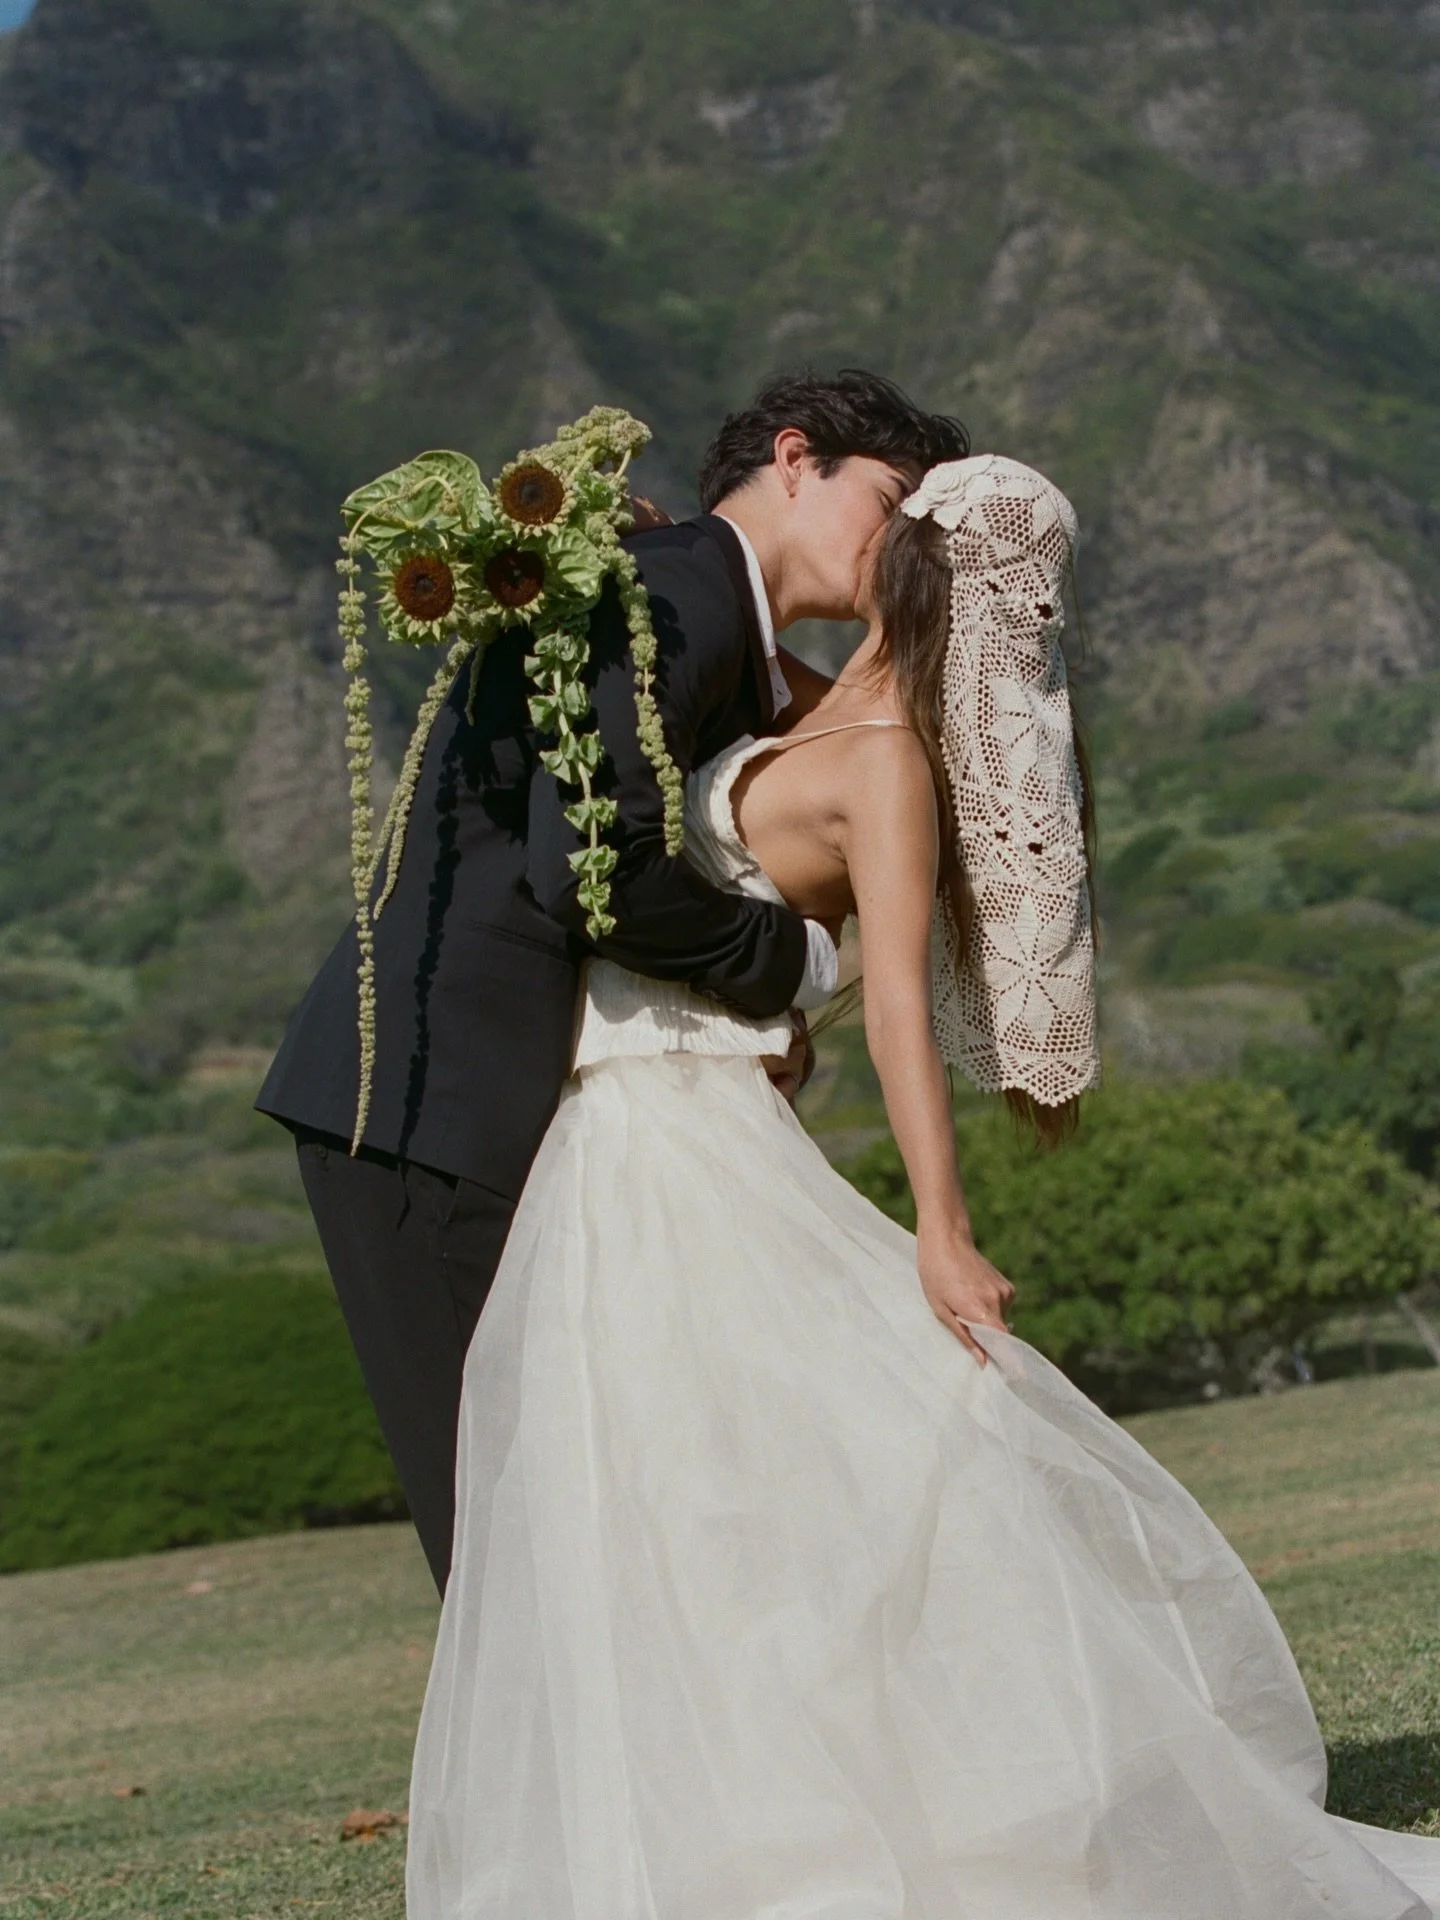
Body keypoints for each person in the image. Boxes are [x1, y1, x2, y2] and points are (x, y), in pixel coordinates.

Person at [405, 456, 1440, 1918]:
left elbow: (892, 1003)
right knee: (662, 1502)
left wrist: (939, 1231)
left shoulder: (888, 760)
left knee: (733, 1496)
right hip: (604, 1127)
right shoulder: (796, 698)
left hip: (674, 1134)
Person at [255, 371, 971, 1593]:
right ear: (795, 460)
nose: (897, 540)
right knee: (504, 1543)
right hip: (433, 1103)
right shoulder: (670, 593)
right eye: (889, 498)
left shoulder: (704, 616)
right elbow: (599, 871)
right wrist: (791, 964)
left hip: (527, 1116)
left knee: (584, 1530)